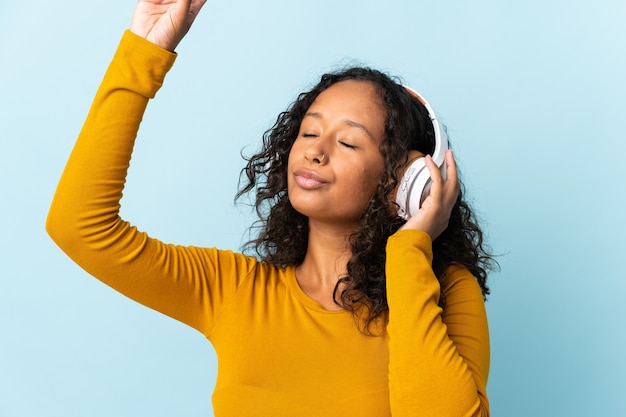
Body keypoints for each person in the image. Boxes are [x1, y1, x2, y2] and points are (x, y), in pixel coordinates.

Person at [47, 1, 496, 416]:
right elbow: (79, 226)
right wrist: (144, 51)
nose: (315, 152)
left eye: (347, 141)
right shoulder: (235, 292)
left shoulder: (444, 293)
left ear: (405, 181)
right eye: (308, 133)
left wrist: (409, 249)